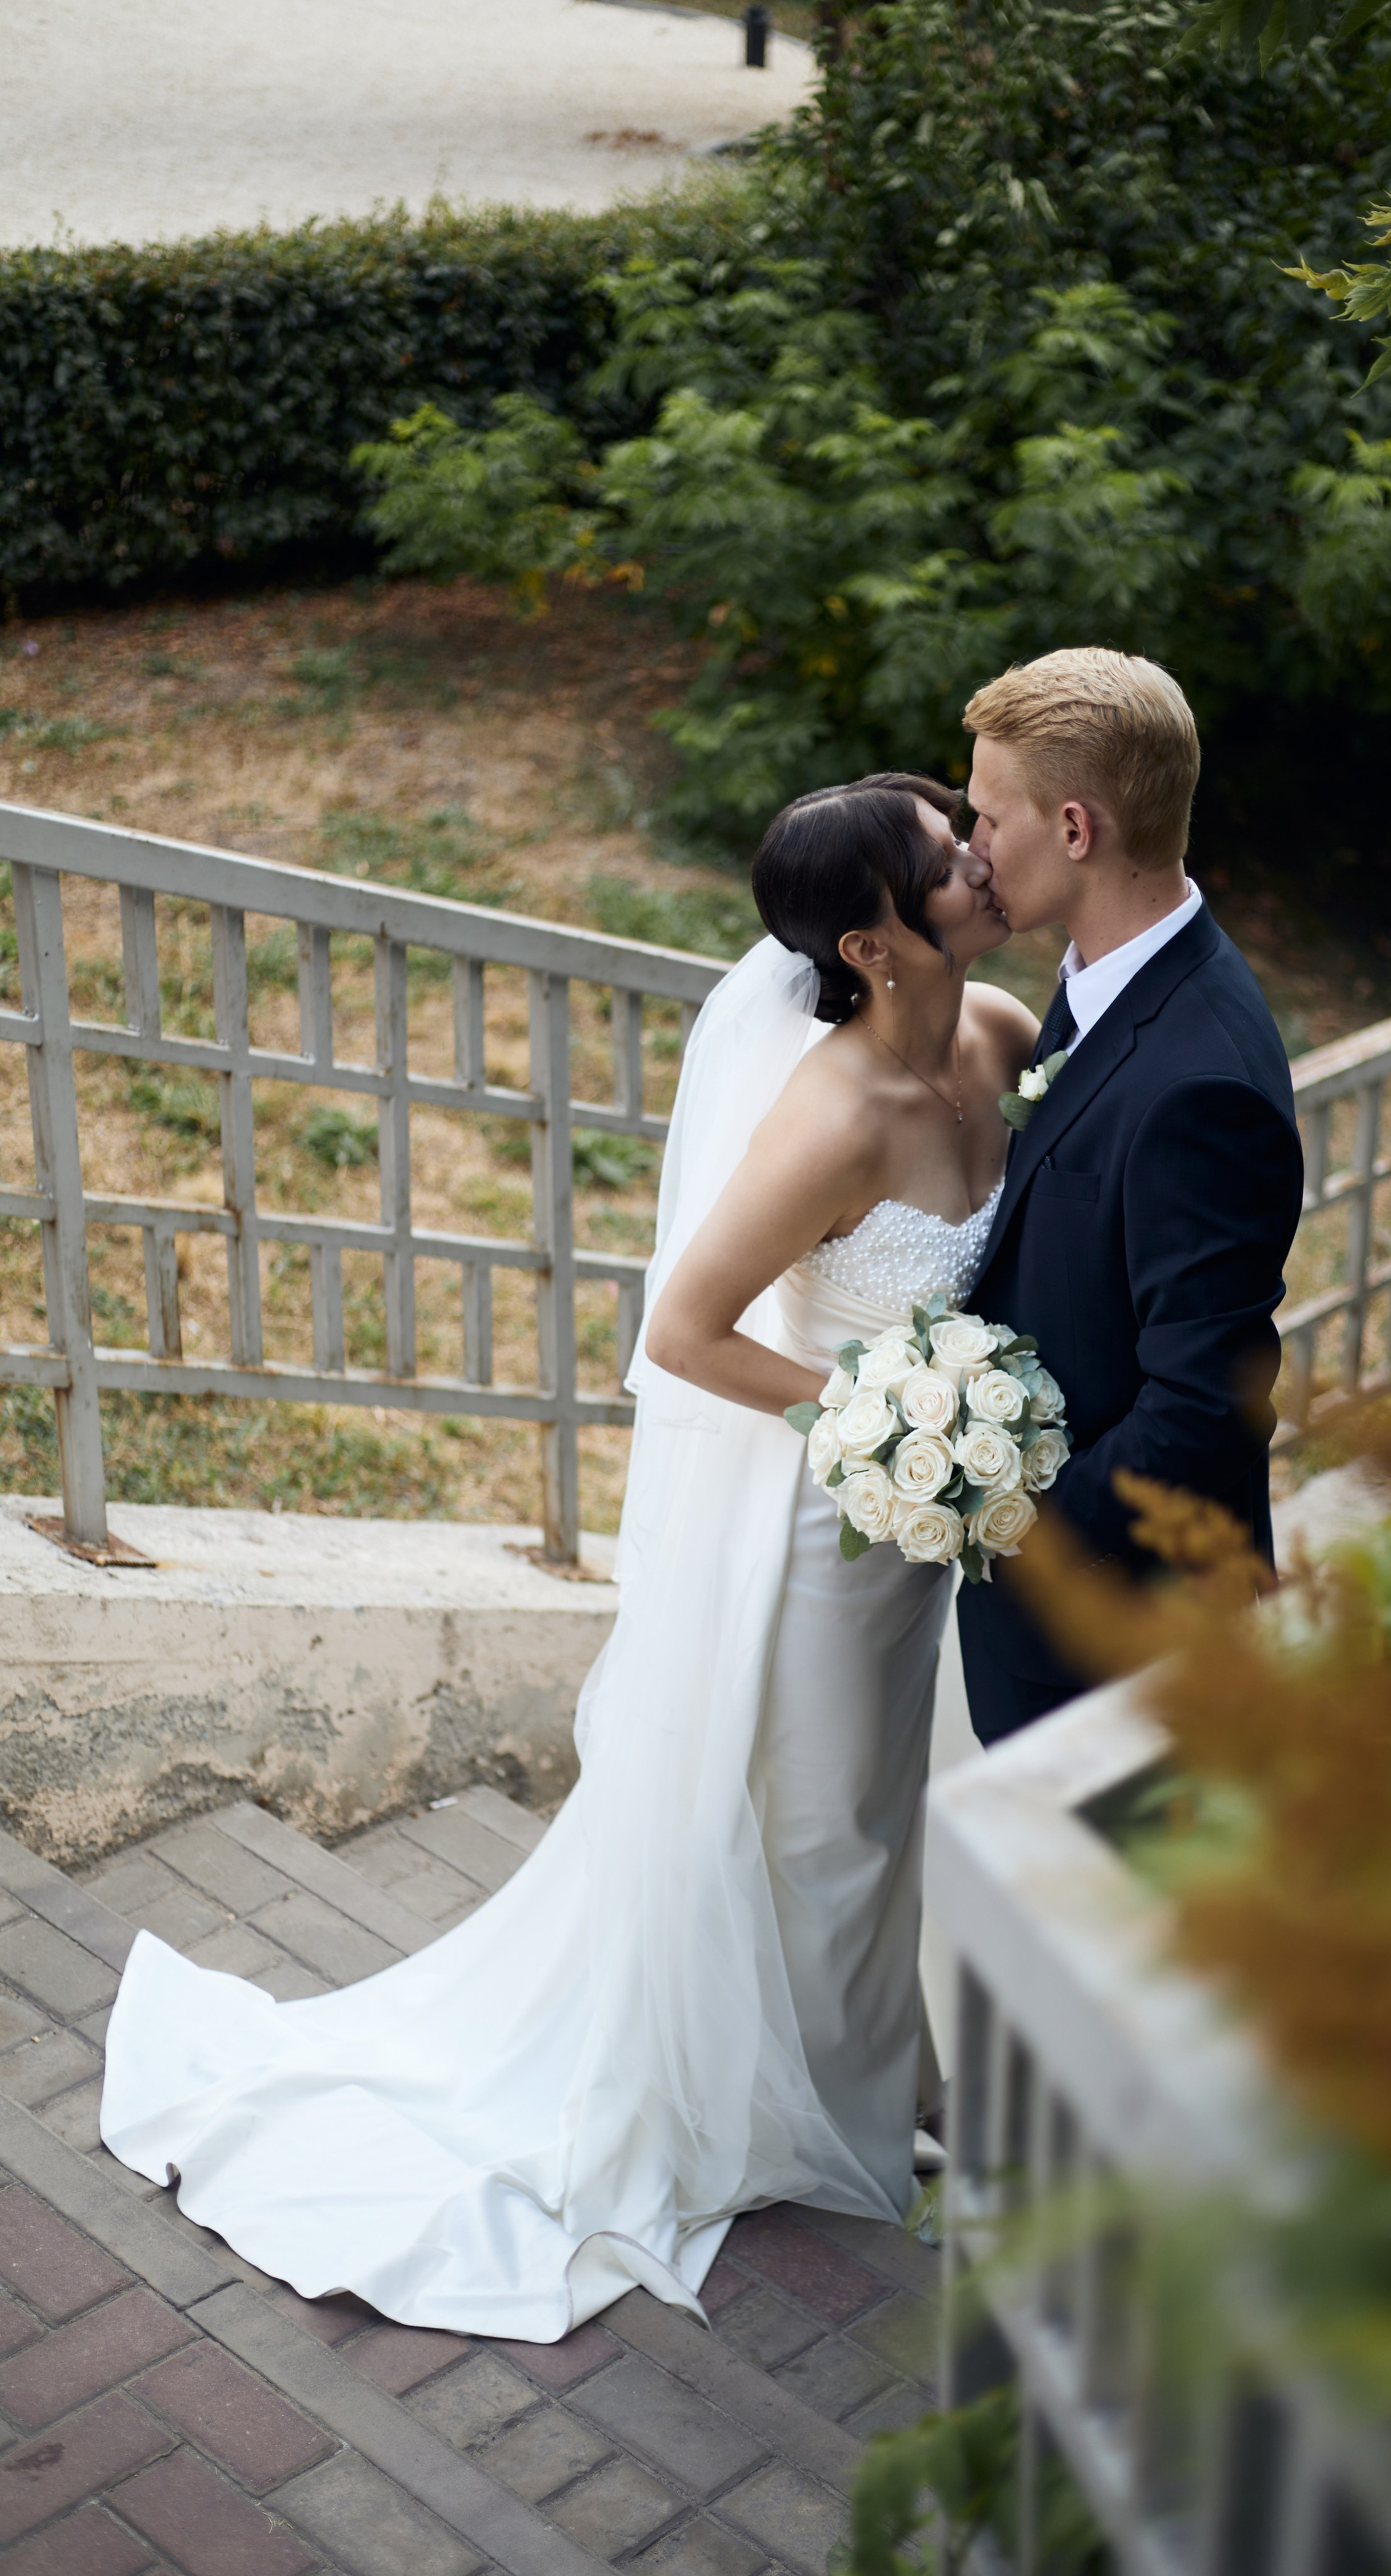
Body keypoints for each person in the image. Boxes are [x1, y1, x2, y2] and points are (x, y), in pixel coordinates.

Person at [99, 774, 1037, 2341]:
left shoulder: (1000, 1033)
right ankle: (831, 2136)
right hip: (825, 1528)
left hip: (932, 1520)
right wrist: (880, 1418)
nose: (976, 854)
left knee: (892, 1816)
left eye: (961, 828)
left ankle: (887, 2087)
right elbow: (684, 1332)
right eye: (945, 854)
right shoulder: (832, 1117)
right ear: (871, 946)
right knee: (827, 1834)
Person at [956, 648, 1304, 1746]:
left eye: (987, 817)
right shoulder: (1109, 978)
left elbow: (1203, 1405)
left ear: (1074, 830)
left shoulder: (1201, 1084)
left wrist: (1012, 1528)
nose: (971, 848)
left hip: (1122, 1641)